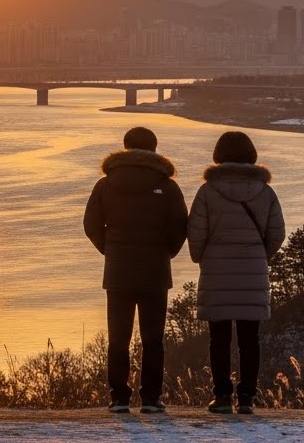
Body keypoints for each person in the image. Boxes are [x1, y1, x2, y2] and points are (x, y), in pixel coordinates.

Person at [83, 126, 188, 413]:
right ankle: (151, 398)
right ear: (154, 149)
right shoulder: (167, 186)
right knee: (153, 339)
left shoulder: (105, 184)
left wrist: (111, 250)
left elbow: (91, 225)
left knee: (118, 338)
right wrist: (166, 252)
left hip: (118, 272)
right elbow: (180, 226)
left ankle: (119, 397)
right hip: (155, 271)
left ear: (125, 147)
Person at [188, 130, 285, 415]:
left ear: (218, 155)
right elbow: (277, 233)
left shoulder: (207, 191)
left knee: (218, 338)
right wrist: (259, 255)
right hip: (253, 271)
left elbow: (195, 233)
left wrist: (201, 258)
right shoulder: (266, 192)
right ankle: (246, 398)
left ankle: (221, 397)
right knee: (249, 339)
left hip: (216, 271)